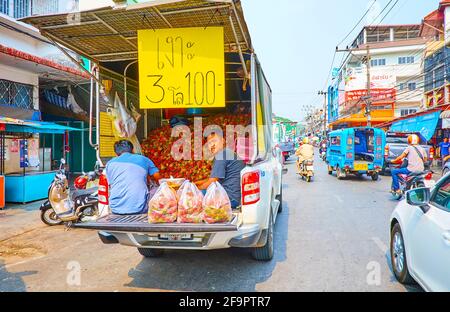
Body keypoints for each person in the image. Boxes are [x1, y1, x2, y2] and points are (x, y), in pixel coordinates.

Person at [106, 140, 160, 215]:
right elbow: (158, 177)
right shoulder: (143, 159)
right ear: (133, 150)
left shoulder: (109, 163)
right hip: (139, 208)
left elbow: (111, 185)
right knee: (158, 189)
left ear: (116, 153)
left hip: (115, 208)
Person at [195, 129, 245, 209]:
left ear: (223, 141)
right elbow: (213, 179)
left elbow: (211, 182)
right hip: (235, 197)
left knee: (193, 196)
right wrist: (196, 183)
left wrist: (194, 189)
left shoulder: (222, 155)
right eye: (209, 143)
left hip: (230, 199)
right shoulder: (226, 153)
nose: (212, 145)